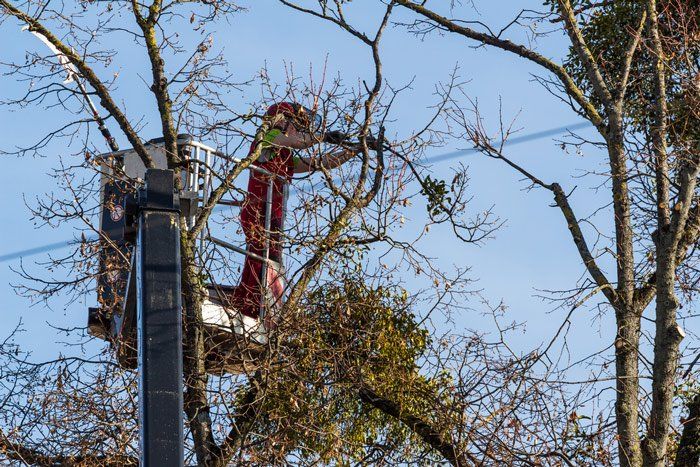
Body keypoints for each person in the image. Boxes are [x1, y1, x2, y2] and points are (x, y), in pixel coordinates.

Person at [231, 102, 367, 321]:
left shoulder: (283, 154)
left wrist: (354, 150)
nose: (299, 129)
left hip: (270, 216)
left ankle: (257, 308)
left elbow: (319, 162)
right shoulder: (268, 138)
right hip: (258, 212)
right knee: (260, 260)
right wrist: (323, 137)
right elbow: (297, 142)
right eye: (297, 124)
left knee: (265, 261)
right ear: (283, 120)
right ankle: (250, 308)